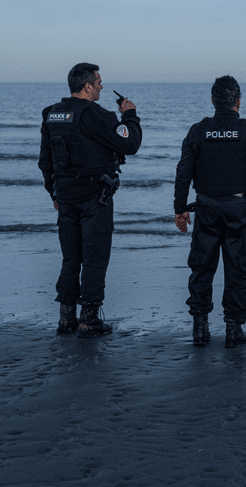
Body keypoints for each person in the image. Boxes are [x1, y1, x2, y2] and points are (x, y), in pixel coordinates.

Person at [38, 62, 143, 337]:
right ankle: (88, 319)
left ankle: (66, 318)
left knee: (71, 258)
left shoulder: (52, 114)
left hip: (66, 197)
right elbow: (130, 143)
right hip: (95, 198)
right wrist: (130, 116)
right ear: (86, 86)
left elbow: (45, 161)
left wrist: (54, 193)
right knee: (95, 258)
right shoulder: (96, 115)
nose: (101, 87)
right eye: (98, 83)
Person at [173, 75, 246, 347]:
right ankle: (233, 329)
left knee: (201, 267)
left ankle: (200, 328)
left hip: (206, 207)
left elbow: (183, 172)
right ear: (238, 101)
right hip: (238, 209)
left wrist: (180, 208)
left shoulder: (198, 130)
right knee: (238, 268)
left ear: (213, 100)